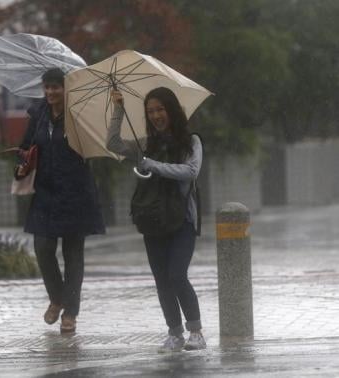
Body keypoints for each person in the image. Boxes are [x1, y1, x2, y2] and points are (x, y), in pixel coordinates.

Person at [106, 87, 206, 352]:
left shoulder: (190, 142)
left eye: (160, 109)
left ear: (171, 110)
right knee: (162, 278)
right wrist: (119, 109)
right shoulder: (145, 145)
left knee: (177, 275)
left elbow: (190, 170)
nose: (156, 116)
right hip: (152, 219)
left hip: (182, 220)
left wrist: (152, 165)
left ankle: (196, 331)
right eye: (150, 111)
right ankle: (175, 333)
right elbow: (113, 144)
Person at [16, 68, 105, 333]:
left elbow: (96, 144)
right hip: (45, 191)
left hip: (76, 191)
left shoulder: (79, 114)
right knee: (43, 247)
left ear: (66, 89)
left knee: (73, 254)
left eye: (56, 87)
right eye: (47, 87)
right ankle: (57, 297)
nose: (51, 92)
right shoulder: (39, 114)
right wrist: (21, 163)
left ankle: (71, 313)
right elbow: (26, 147)